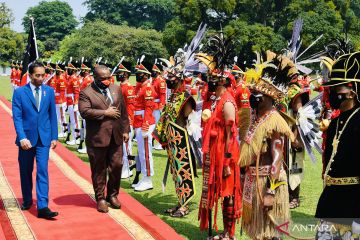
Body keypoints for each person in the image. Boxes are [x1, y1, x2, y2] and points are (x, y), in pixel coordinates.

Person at [239, 51, 296, 239]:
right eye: (254, 92)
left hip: (267, 183)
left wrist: (271, 192)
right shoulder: (254, 116)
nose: (253, 96)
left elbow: (278, 159)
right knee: (255, 231)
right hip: (252, 181)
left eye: (258, 93)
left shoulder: (275, 121)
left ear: (267, 97)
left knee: (269, 233)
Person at [196, 33, 242, 240]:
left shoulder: (229, 102)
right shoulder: (215, 99)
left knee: (228, 193)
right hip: (213, 153)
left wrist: (227, 162)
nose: (210, 81)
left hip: (225, 155)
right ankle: (222, 231)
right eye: (210, 77)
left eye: (214, 78)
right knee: (216, 192)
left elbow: (232, 135)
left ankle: (228, 234)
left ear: (223, 80)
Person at [315, 52, 360, 239]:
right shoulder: (335, 122)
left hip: (354, 202)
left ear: (352, 90)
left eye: (336, 88)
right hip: (330, 200)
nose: (331, 93)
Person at [79, 65, 130, 213]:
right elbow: (85, 111)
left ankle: (112, 195)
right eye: (104, 78)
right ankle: (100, 198)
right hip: (98, 138)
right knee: (99, 169)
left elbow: (123, 111)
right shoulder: (86, 92)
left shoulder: (116, 89)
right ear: (95, 78)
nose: (107, 80)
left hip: (116, 136)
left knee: (117, 166)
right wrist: (105, 112)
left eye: (109, 77)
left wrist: (126, 130)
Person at [12, 61, 59, 219]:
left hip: (43, 139)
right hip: (26, 140)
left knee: (42, 171)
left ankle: (43, 206)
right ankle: (27, 199)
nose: (41, 78)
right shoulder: (19, 93)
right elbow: (17, 118)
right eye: (37, 75)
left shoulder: (49, 91)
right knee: (26, 171)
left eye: (43, 75)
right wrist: (22, 137)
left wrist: (54, 136)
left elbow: (52, 115)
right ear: (30, 75)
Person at [131, 61, 156, 192]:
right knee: (141, 151)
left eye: (140, 73)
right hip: (138, 122)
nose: (137, 75)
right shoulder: (141, 86)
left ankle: (148, 179)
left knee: (146, 152)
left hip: (144, 123)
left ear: (146, 75)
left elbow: (149, 108)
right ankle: (145, 177)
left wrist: (145, 125)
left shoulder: (148, 88)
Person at [116, 61, 136, 179]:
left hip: (126, 121)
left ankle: (129, 169)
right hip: (120, 120)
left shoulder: (128, 88)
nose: (118, 74)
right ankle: (124, 168)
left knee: (126, 147)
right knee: (121, 147)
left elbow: (130, 107)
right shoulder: (120, 86)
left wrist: (127, 121)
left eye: (121, 72)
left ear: (126, 74)